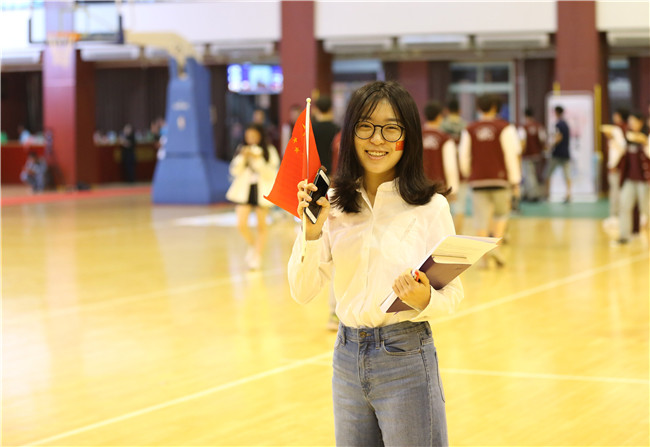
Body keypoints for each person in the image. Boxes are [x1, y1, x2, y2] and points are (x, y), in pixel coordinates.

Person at [289, 81, 463, 446]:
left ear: (408, 136)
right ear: (350, 134)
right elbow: (302, 292)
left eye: (391, 128)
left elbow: (452, 295)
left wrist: (423, 298)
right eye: (365, 126)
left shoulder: (431, 208)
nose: (377, 139)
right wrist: (311, 232)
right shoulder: (329, 205)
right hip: (346, 357)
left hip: (406, 358)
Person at [458, 94, 521, 267]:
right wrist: (515, 180)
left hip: (478, 180)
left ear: (479, 108)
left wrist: (469, 173)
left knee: (480, 218)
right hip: (500, 179)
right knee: (501, 214)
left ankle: (484, 258)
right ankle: (495, 248)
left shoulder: (470, 129)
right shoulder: (505, 127)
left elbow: (463, 156)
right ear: (495, 107)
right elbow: (511, 155)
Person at [226, 123, 280, 269]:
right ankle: (253, 245)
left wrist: (257, 159)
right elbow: (234, 171)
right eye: (248, 136)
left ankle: (257, 255)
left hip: (262, 191)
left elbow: (271, 173)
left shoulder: (269, 150)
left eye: (254, 136)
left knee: (262, 226)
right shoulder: (242, 149)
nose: (251, 138)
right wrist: (243, 157)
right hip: (245, 191)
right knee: (241, 224)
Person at [310, 95, 342, 330]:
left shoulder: (310, 129)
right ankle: (335, 312)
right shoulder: (338, 131)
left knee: (322, 248)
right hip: (335, 183)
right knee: (338, 252)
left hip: (313, 185)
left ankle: (334, 312)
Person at [609, 111, 649, 244]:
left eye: (634, 122)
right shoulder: (627, 137)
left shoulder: (646, 136)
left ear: (640, 122)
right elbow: (620, 151)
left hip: (644, 180)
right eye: (630, 122)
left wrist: (644, 142)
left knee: (646, 208)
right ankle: (624, 236)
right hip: (629, 179)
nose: (631, 124)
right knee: (624, 206)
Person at [441, 98, 469, 232]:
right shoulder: (465, 126)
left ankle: (445, 235)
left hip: (443, 172)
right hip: (461, 170)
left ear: (446, 111)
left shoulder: (442, 126)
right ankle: (457, 234)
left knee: (442, 206)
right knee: (460, 206)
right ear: (460, 110)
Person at [422, 100, 459, 196]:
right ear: (439, 117)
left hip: (418, 186)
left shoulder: (416, 136)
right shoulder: (445, 138)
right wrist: (453, 189)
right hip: (439, 187)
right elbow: (450, 165)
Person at [518, 108, 546, 201]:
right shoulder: (539, 126)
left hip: (527, 155)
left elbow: (522, 142)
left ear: (525, 116)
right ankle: (527, 193)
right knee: (532, 174)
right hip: (537, 154)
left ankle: (533, 194)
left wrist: (520, 154)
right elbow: (543, 140)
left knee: (529, 175)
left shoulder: (523, 127)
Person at [545, 105, 571, 203]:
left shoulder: (559, 124)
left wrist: (550, 145)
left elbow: (558, 137)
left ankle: (547, 194)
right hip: (565, 153)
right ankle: (568, 194)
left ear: (556, 113)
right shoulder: (566, 124)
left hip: (557, 153)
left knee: (548, 173)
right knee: (567, 174)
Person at [311, 95, 340, 173]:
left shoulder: (311, 129)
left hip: (314, 171)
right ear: (331, 109)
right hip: (332, 172)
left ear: (317, 109)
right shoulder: (337, 129)